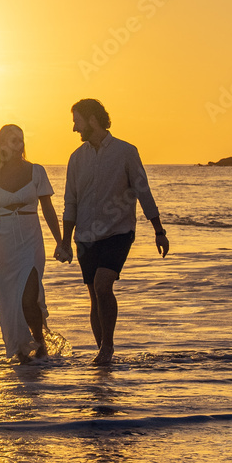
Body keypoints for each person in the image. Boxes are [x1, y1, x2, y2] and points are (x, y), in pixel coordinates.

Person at [55, 99, 168, 365]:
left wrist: (158, 230)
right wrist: (65, 241)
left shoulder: (126, 152)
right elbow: (70, 201)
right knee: (94, 294)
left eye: (77, 121)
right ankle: (102, 357)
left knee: (103, 284)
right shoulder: (76, 158)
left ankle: (108, 347)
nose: (74, 128)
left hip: (118, 232)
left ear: (92, 120)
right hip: (84, 235)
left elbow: (143, 191)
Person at [0, 124, 64, 363]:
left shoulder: (37, 172)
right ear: (3, 144)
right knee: (9, 299)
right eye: (12, 140)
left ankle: (39, 342)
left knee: (29, 294)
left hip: (31, 239)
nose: (18, 143)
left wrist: (60, 241)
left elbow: (48, 209)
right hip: (3, 242)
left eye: (21, 139)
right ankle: (19, 349)